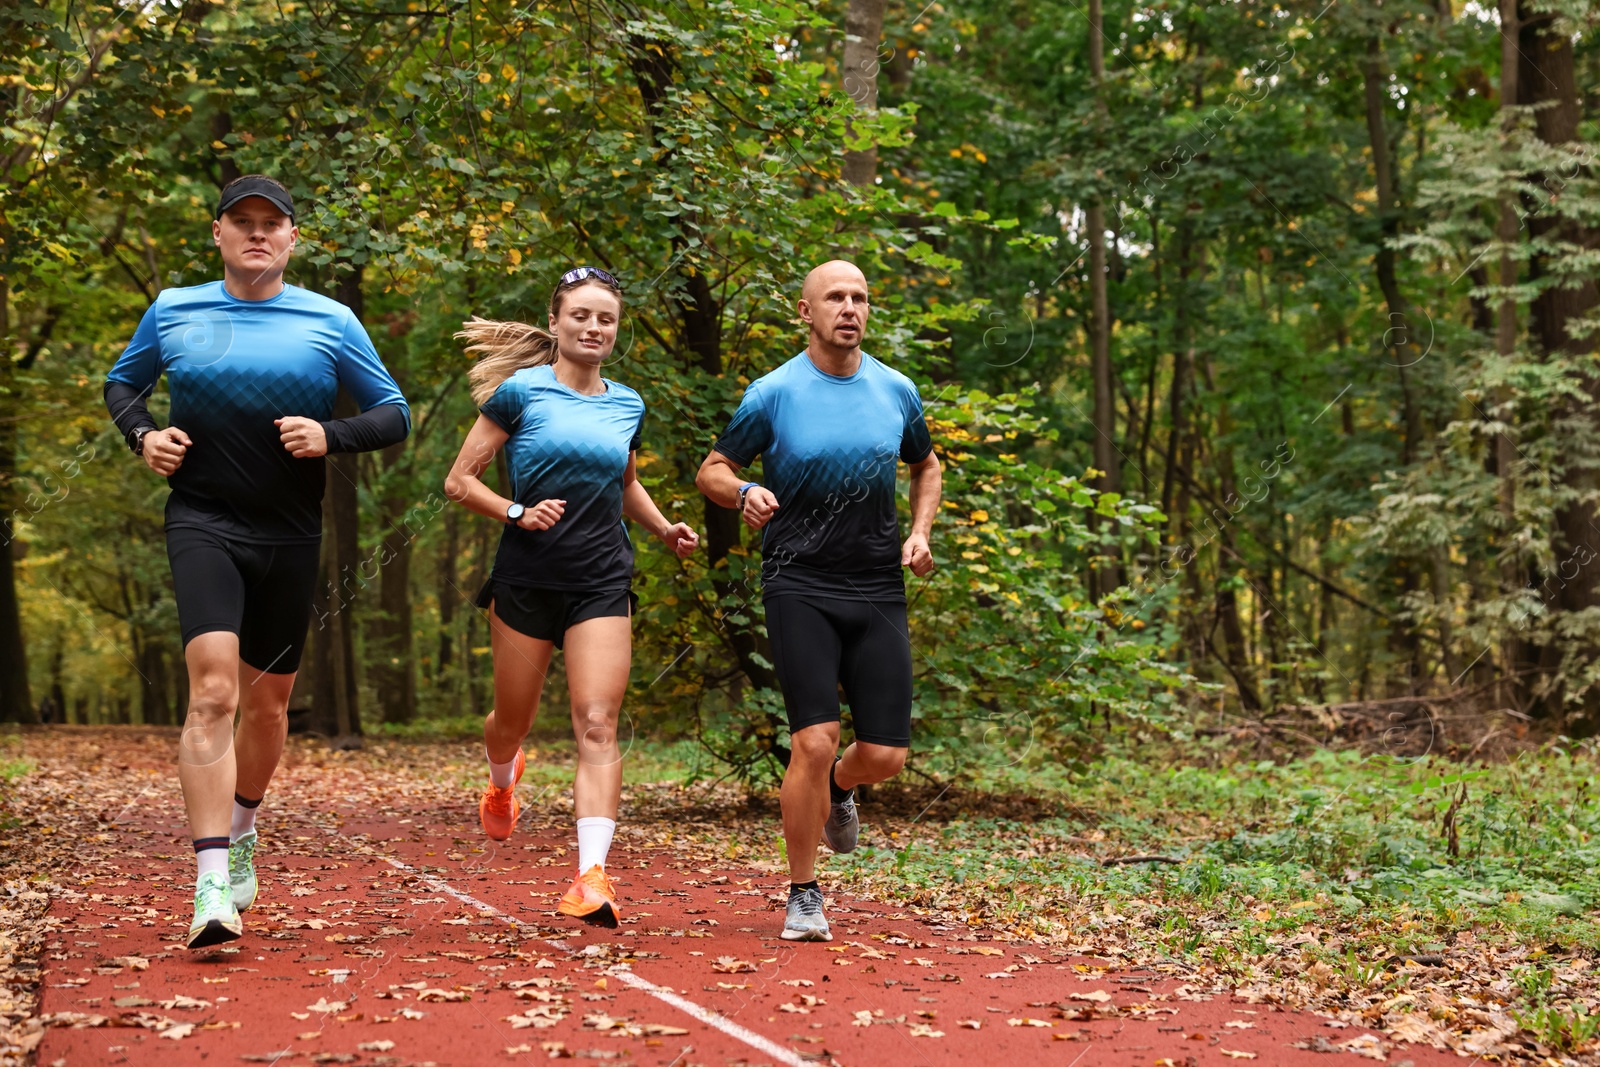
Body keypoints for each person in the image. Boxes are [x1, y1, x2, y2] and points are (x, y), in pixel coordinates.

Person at [104, 175, 411, 949]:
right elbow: (122, 383)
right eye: (242, 222)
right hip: (203, 519)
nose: (257, 235)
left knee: (269, 704)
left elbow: (393, 413)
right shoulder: (175, 308)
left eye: (271, 224)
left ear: (292, 238)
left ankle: (242, 825)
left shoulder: (329, 320)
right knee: (211, 690)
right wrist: (143, 434)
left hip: (289, 532)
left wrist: (329, 435)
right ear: (218, 233)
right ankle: (210, 882)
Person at [443, 267, 698, 928]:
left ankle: (592, 877)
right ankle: (502, 778)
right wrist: (516, 510)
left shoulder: (628, 404)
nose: (593, 327)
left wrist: (663, 525)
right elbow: (459, 481)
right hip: (527, 578)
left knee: (595, 721)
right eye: (580, 316)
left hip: (601, 579)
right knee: (512, 720)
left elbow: (624, 484)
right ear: (555, 323)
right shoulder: (519, 393)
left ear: (616, 331)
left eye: (605, 319)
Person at [695, 259, 942, 942]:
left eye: (860, 296)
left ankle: (840, 787)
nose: (850, 307)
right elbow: (712, 469)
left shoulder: (896, 389)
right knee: (811, 737)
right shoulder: (773, 393)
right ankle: (803, 892)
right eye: (835, 296)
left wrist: (919, 532)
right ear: (805, 311)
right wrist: (743, 492)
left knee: (886, 755)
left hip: (877, 585)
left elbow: (926, 465)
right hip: (799, 581)